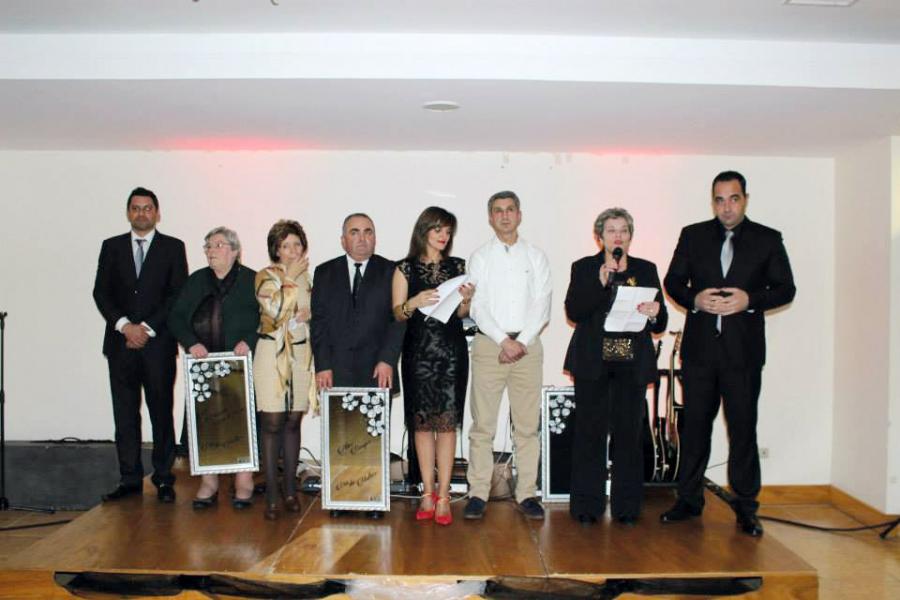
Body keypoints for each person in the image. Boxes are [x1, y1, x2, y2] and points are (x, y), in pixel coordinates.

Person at [660, 171, 796, 537]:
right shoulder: (693, 235)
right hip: (700, 353)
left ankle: (746, 508)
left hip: (743, 356)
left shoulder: (767, 239)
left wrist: (750, 300)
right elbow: (673, 281)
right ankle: (688, 500)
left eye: (733, 199)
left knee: (743, 430)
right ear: (713, 202)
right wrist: (695, 299)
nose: (726, 207)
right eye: (719, 200)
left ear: (745, 199)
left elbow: (786, 289)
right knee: (694, 429)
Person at [563, 208, 667, 525]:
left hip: (631, 362)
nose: (617, 236)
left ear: (630, 236)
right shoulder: (584, 267)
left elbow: (661, 321)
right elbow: (574, 311)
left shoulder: (645, 269)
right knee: (589, 434)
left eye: (623, 230)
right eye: (611, 230)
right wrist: (599, 283)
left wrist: (655, 313)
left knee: (629, 435)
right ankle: (587, 505)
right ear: (600, 237)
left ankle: (627, 506)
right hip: (593, 361)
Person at [93, 187, 188, 503]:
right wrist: (125, 326)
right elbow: (101, 292)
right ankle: (130, 479)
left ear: (157, 213)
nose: (141, 213)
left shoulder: (173, 247)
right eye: (136, 208)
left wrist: (146, 328)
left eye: (147, 208)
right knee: (125, 415)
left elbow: (177, 294)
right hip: (120, 344)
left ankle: (163, 477)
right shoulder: (111, 247)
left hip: (157, 345)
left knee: (161, 412)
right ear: (128, 213)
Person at [310, 213, 405, 518]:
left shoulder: (391, 271)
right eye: (354, 232)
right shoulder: (325, 272)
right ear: (343, 240)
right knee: (342, 435)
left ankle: (372, 497)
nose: (362, 238)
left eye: (368, 232)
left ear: (375, 237)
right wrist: (322, 365)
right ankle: (342, 496)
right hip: (336, 367)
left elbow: (398, 321)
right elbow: (319, 323)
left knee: (372, 434)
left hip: (377, 367)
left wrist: (388, 359)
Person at [464, 191, 552, 521]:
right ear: (490, 218)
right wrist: (503, 341)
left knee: (527, 426)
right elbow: (478, 305)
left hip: (528, 346)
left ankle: (527, 492)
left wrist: (520, 342)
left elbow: (542, 303)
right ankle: (477, 493)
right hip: (490, 345)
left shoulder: (536, 256)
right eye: (498, 211)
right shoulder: (480, 257)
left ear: (519, 215)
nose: (504, 216)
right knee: (482, 426)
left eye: (510, 210)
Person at [392, 207, 475, 526]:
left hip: (451, 353)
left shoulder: (458, 267)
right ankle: (426, 493)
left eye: (448, 231)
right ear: (424, 230)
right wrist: (414, 302)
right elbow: (397, 313)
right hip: (418, 354)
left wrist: (466, 299)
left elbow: (462, 314)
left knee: (447, 425)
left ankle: (443, 496)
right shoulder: (405, 268)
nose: (444, 236)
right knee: (423, 425)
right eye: (438, 229)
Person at [168, 226, 260, 509]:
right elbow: (176, 317)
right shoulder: (197, 281)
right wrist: (191, 343)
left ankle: (244, 481)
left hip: (239, 367)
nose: (211, 251)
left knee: (241, 422)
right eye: (208, 246)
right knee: (207, 424)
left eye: (218, 245)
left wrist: (250, 340)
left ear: (235, 251)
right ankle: (209, 482)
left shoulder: (253, 280)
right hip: (204, 367)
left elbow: (267, 317)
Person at [254, 220, 316, 521]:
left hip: (300, 354)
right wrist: (289, 278)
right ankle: (271, 495)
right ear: (276, 250)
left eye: (297, 245)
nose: (292, 251)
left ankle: (290, 490)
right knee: (272, 422)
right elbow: (275, 312)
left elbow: (313, 312)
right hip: (272, 355)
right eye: (286, 246)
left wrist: (309, 313)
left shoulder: (307, 277)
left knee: (293, 421)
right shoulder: (265, 276)